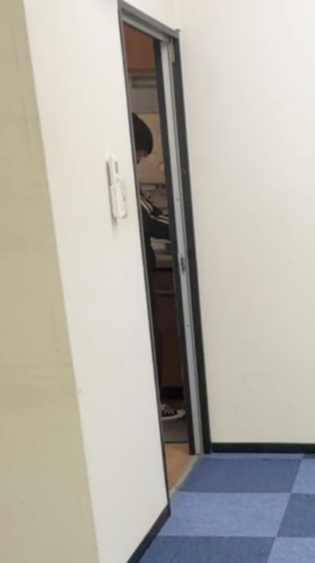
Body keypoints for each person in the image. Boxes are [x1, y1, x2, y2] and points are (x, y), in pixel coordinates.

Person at [131, 115, 185, 423]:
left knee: (150, 336)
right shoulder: (124, 183)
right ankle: (153, 405)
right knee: (150, 336)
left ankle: (150, 403)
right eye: (139, 157)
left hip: (136, 273)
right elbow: (151, 220)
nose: (138, 164)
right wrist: (187, 228)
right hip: (135, 276)